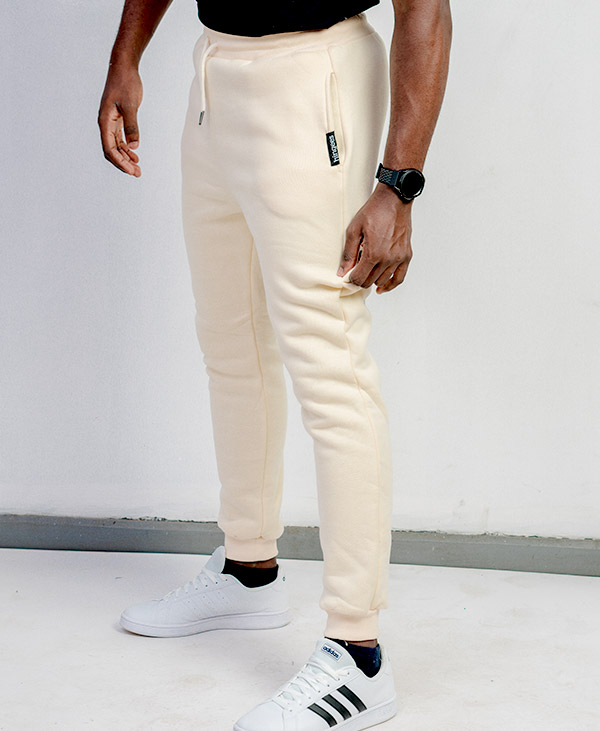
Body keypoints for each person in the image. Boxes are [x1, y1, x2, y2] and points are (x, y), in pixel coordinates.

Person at [98, 0, 452, 728]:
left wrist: (399, 186)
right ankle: (248, 568)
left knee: (330, 367)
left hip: (313, 82)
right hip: (215, 77)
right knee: (228, 344)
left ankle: (357, 652)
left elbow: (427, 9)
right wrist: (125, 57)